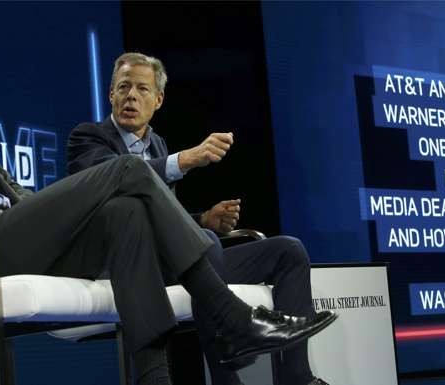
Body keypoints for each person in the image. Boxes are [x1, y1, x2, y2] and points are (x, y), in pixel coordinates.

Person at [0, 12, 335, 385]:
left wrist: (55, 207)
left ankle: (154, 377)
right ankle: (230, 317)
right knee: (124, 169)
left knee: (126, 215)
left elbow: (15, 195)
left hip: (10, 232)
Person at [67, 52, 334, 385]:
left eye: (142, 89)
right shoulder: (88, 138)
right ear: (110, 95)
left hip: (179, 261)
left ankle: (297, 377)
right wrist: (186, 160)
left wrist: (204, 219)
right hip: (131, 266)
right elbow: (117, 182)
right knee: (206, 247)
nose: (131, 96)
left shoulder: (157, 145)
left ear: (158, 99)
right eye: (123, 87)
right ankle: (228, 371)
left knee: (288, 251)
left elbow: (167, 222)